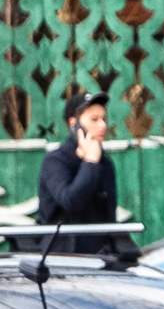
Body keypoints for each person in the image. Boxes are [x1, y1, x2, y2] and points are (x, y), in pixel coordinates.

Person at [32, 91, 118, 255]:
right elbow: (71, 201)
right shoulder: (56, 161)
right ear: (74, 123)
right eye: (94, 119)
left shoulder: (105, 163)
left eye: (104, 119)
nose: (102, 125)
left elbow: (109, 216)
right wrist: (90, 162)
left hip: (100, 257)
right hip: (63, 257)